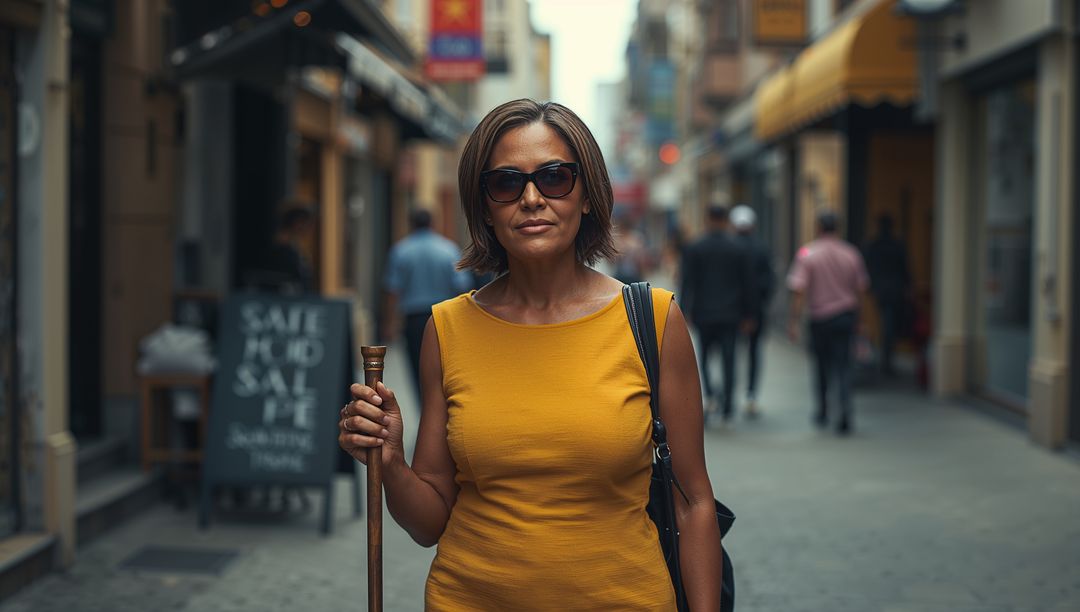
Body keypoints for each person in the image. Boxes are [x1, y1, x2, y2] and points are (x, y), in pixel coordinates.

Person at [340, 99, 723, 609]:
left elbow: (694, 503)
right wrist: (389, 462)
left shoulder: (653, 320)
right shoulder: (447, 328)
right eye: (505, 183)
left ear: (587, 195)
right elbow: (429, 523)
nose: (531, 198)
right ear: (485, 208)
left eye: (554, 177)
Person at [786, 210, 869, 435]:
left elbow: (799, 290)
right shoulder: (851, 253)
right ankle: (845, 410)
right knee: (844, 365)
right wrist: (860, 319)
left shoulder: (807, 253)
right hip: (845, 316)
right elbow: (860, 289)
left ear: (818, 227)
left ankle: (823, 409)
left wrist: (793, 321)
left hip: (819, 318)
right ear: (838, 228)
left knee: (821, 366)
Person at [383, 208, 471, 403]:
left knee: (417, 369)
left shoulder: (401, 250)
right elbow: (462, 286)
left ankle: (424, 409)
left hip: (413, 320)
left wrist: (389, 323)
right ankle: (442, 408)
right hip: (444, 318)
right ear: (433, 223)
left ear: (411, 224)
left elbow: (393, 290)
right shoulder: (448, 249)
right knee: (446, 367)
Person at [680, 204, 758, 423]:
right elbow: (748, 284)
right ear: (725, 220)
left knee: (704, 357)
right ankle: (728, 406)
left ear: (707, 219)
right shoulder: (739, 248)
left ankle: (711, 395)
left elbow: (688, 282)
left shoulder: (695, 247)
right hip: (731, 314)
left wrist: (685, 310)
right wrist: (750, 315)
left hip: (704, 313)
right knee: (729, 358)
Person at [730, 204, 774, 418]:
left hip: (732, 310)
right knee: (754, 352)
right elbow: (768, 281)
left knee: (730, 352)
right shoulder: (761, 248)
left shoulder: (731, 247)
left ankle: (728, 393)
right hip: (756, 310)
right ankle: (751, 393)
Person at [864, 214, 910, 375]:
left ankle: (885, 358)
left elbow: (867, 267)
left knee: (886, 324)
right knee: (889, 325)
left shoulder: (874, 245)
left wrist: (870, 286)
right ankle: (887, 359)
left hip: (881, 290)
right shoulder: (897, 245)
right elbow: (905, 269)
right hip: (895, 289)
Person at [261, 204, 315, 293]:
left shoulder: (294, 247)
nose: (310, 229)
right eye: (308, 224)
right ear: (297, 223)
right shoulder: (280, 248)